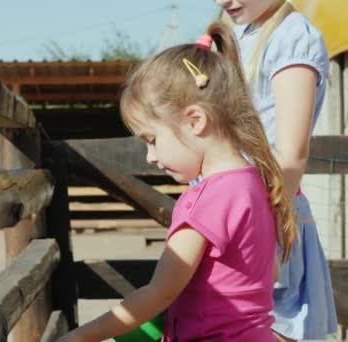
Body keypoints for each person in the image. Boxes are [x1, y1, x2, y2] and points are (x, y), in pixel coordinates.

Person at [58, 21, 296, 342]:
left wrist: (82, 336)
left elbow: (158, 294)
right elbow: (269, 273)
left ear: (195, 121)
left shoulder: (204, 200)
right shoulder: (256, 183)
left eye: (152, 139)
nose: (150, 157)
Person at [215, 0, 337, 340]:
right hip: (232, 212)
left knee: (270, 328)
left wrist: (262, 230)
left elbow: (291, 154)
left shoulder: (292, 36)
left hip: (264, 212)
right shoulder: (239, 33)